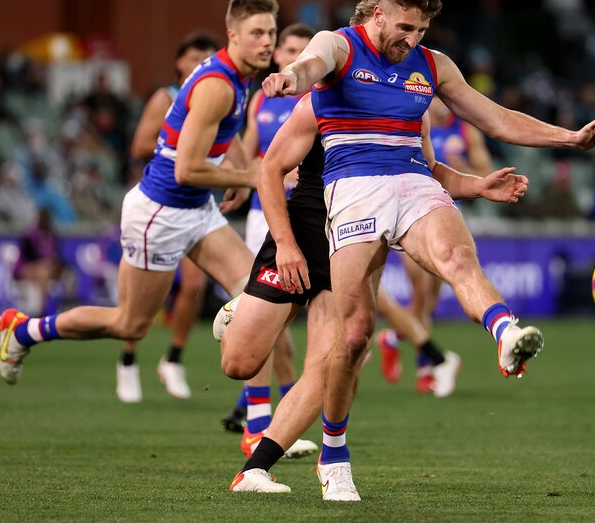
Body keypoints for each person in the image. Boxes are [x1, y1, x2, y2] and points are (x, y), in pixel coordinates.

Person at [258, 0, 595, 500]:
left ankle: (506, 335)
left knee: (457, 256)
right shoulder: (339, 45)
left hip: (412, 179)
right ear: (378, 13)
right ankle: (333, 454)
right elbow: (311, 62)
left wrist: (571, 138)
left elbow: (495, 119)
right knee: (354, 334)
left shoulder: (431, 67)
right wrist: (292, 76)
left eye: (423, 30)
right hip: (353, 190)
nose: (413, 40)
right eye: (405, 27)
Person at [221, 92, 527, 497]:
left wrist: (476, 185)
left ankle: (256, 471)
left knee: (336, 356)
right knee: (239, 362)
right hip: (303, 232)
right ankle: (238, 312)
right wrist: (286, 244)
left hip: (354, 236)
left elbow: (428, 169)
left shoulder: (411, 103)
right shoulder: (323, 99)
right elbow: (270, 169)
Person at [0, 0, 278, 390]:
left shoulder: (239, 77)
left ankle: (258, 426)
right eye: (257, 33)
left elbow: (220, 137)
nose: (267, 41)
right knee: (129, 322)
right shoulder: (218, 86)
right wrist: (247, 176)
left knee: (260, 291)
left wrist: (235, 170)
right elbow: (186, 169)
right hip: (160, 213)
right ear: (233, 35)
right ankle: (24, 332)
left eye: (270, 32)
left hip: (196, 210)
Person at [220, 23, 317, 457]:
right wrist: (249, 177)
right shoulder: (263, 98)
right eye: (289, 49)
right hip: (266, 217)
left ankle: (268, 418)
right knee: (272, 322)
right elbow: (253, 151)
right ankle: (259, 422)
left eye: (303, 49)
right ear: (278, 55)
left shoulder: (320, 99)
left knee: (284, 325)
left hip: (308, 216)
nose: (294, 55)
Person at [115, 32, 218, 404]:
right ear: (179, 63)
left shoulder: (216, 95)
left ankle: (173, 358)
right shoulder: (167, 97)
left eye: (205, 57)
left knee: (195, 284)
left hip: (194, 204)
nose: (199, 64)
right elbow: (140, 145)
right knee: (138, 301)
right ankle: (127, 360)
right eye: (192, 58)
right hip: (155, 200)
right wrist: (182, 138)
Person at [379, 95, 490, 392]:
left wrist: (460, 165)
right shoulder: (413, 122)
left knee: (426, 302)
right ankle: (426, 371)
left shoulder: (465, 131)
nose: (438, 103)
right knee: (420, 291)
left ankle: (393, 338)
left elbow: (485, 172)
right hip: (411, 219)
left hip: (447, 220)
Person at [12, 208, 68, 314]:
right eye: (42, 218)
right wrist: (44, 263)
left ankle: (66, 306)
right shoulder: (29, 234)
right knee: (43, 273)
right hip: (26, 267)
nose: (44, 221)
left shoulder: (53, 234)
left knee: (69, 273)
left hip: (47, 267)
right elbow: (29, 256)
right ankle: (41, 311)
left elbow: (57, 254)